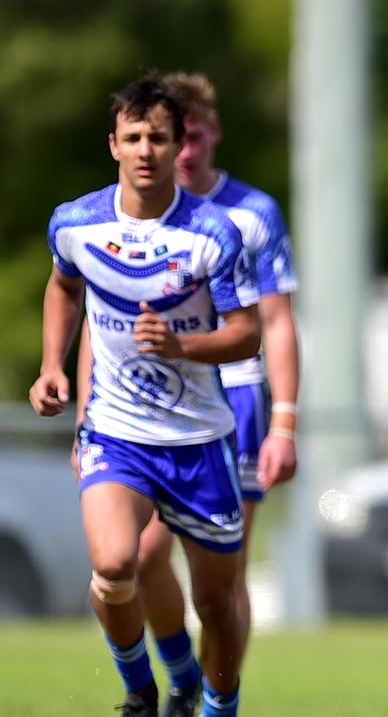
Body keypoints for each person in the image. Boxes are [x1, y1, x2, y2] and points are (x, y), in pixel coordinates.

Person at [30, 74, 260, 717]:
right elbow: (64, 287)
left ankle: (218, 703)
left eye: (158, 137)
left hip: (200, 440)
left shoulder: (214, 233)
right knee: (114, 565)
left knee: (216, 602)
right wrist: (54, 365)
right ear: (113, 145)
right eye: (132, 137)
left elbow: (246, 334)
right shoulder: (75, 223)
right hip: (116, 431)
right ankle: (140, 687)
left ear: (175, 142)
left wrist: (183, 346)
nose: (145, 149)